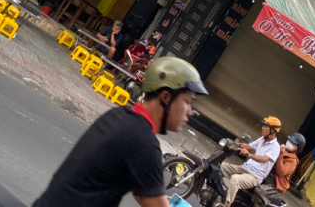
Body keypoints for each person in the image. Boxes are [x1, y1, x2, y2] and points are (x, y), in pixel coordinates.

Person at [33, 56, 208, 207]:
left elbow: (143, 192)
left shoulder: (120, 116)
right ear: (166, 97)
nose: (190, 111)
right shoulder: (143, 142)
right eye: (188, 101)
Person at [221, 117, 282, 207]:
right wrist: (234, 143)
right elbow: (249, 146)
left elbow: (264, 159)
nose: (262, 128)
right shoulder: (262, 139)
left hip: (255, 176)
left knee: (235, 179)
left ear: (273, 130)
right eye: (263, 125)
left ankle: (227, 205)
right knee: (220, 166)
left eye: (266, 126)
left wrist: (249, 155)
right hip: (245, 167)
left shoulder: (275, 147)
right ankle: (215, 193)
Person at [242, 132, 306, 207]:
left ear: (297, 148)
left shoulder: (293, 161)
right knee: (247, 182)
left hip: (275, 186)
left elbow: (280, 172)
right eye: (290, 141)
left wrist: (281, 154)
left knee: (259, 191)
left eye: (293, 143)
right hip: (264, 176)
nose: (290, 143)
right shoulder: (277, 148)